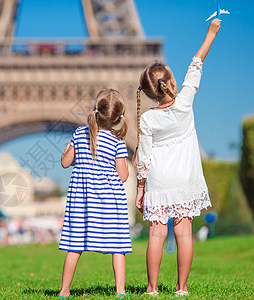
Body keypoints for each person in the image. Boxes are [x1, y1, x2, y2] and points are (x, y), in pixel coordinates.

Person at [134, 19, 222, 296]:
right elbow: (196, 63)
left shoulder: (147, 119)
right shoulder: (185, 102)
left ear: (148, 93)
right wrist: (211, 33)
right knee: (184, 234)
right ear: (171, 82)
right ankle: (181, 288)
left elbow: (144, 157)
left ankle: (151, 287)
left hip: (159, 180)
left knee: (156, 235)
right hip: (185, 177)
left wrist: (140, 188)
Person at [58, 89, 132, 298]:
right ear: (118, 117)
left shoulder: (79, 134)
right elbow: (124, 176)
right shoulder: (117, 142)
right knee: (118, 246)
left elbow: (65, 163)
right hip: (110, 201)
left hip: (81, 202)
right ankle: (120, 291)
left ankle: (64, 291)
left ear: (95, 110)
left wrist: (67, 148)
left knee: (74, 247)